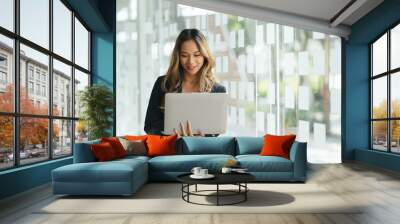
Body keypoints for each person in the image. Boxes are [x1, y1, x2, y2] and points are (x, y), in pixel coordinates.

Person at [144, 28, 226, 136]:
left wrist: (200, 138)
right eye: (184, 55)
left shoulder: (217, 90)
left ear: (205, 56)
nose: (191, 62)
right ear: (178, 56)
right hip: (169, 149)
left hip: (200, 151)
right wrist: (174, 134)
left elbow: (216, 131)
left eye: (197, 55)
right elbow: (149, 126)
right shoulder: (162, 83)